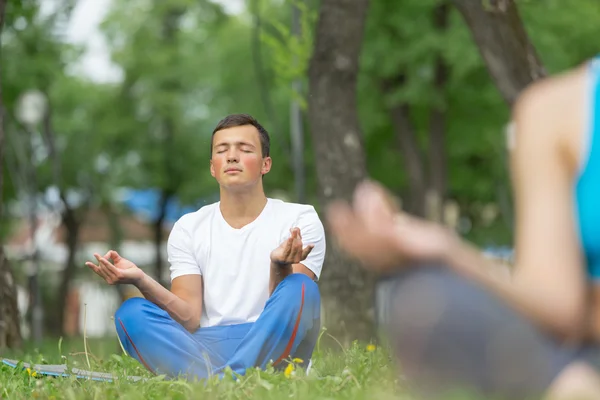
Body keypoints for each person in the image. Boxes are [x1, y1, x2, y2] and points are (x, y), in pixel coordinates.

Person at [326, 57, 600, 399]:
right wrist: (447, 250)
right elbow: (558, 307)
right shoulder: (551, 111)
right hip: (585, 353)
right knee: (429, 298)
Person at [85, 114, 326, 381]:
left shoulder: (299, 218)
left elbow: (292, 308)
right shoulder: (189, 227)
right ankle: (233, 384)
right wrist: (141, 280)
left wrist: (279, 265)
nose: (232, 157)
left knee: (301, 287)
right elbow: (189, 317)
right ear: (213, 167)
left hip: (272, 345)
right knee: (131, 313)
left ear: (265, 164)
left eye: (245, 150)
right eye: (222, 151)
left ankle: (220, 385)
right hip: (207, 348)